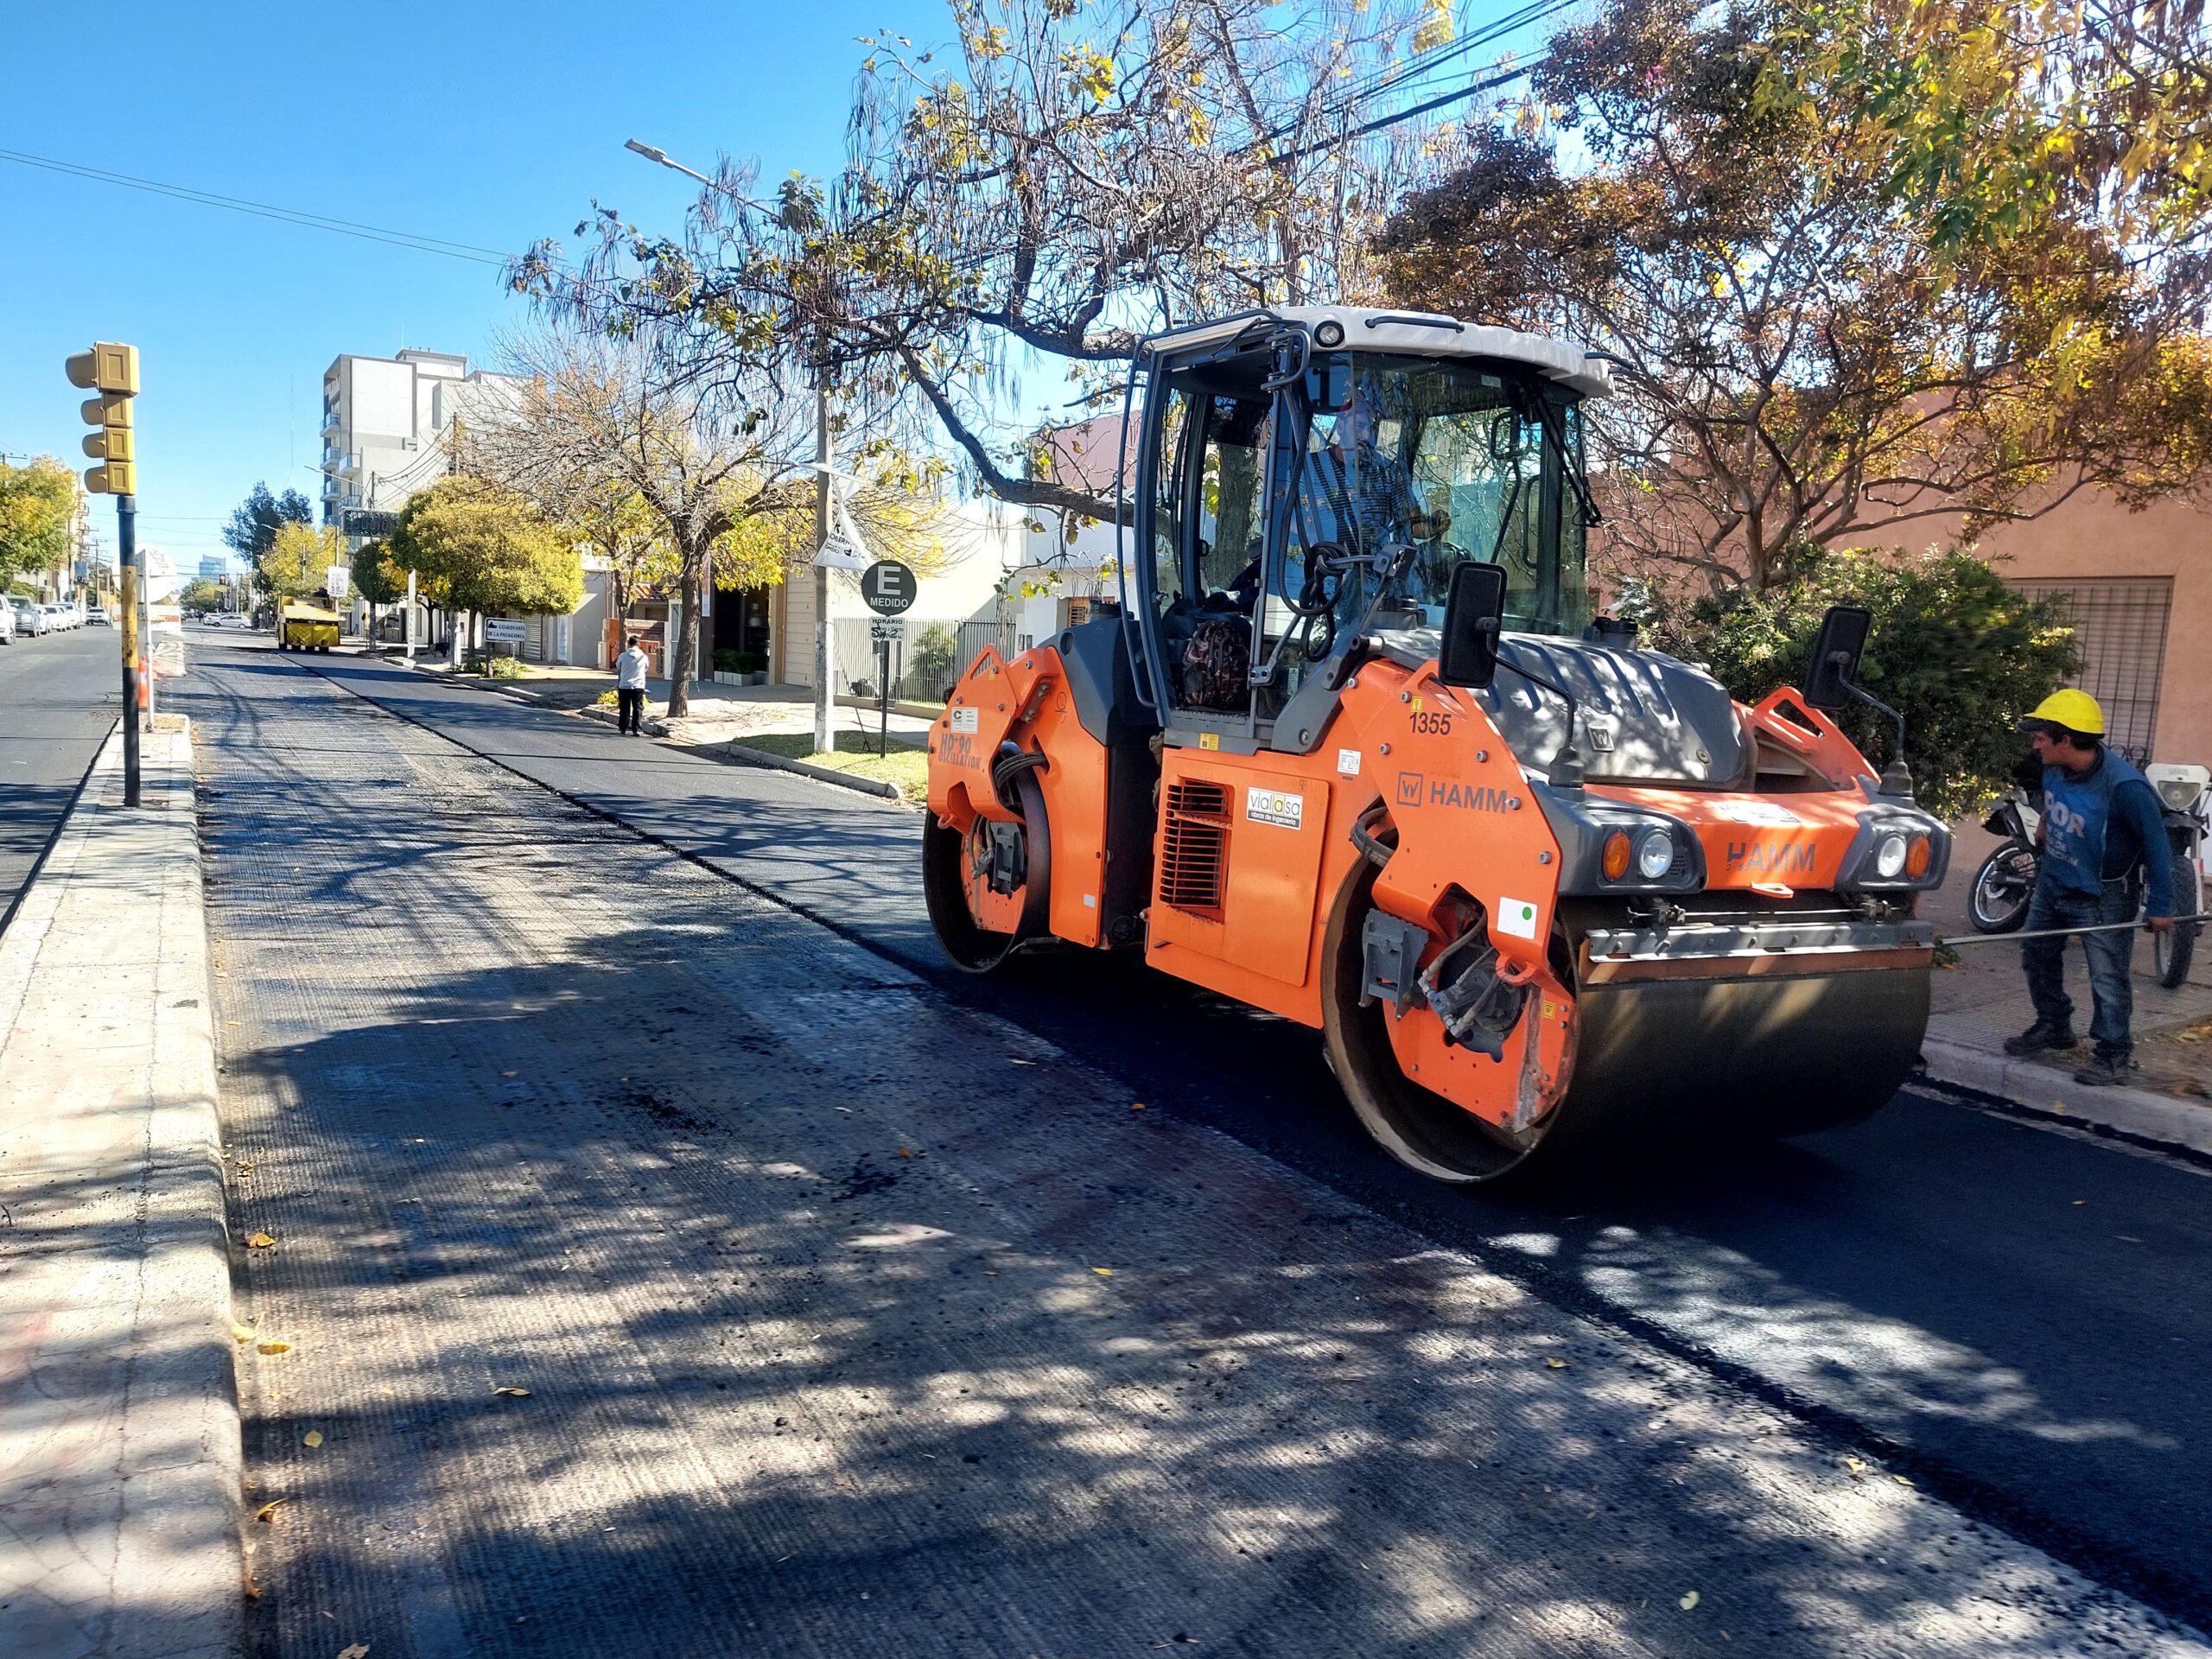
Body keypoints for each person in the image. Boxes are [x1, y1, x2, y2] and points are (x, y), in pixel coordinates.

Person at [2003, 689, 2174, 1086]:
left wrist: (2161, 904)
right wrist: (2046, 821)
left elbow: (2158, 848)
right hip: (2054, 880)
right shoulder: (2054, 766)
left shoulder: (2127, 788)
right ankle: (2054, 1026)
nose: (2036, 743)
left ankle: (2114, 1055)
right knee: (2037, 955)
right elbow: (2055, 797)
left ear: (2066, 739)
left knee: (2108, 978)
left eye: (2042, 736)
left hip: (2104, 895)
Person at [614, 634, 649, 736]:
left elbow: (618, 667)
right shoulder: (644, 657)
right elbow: (646, 669)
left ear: (629, 644)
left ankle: (622, 728)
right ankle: (636, 728)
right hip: (638, 685)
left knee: (624, 708)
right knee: (638, 707)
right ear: (638, 644)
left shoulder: (622, 656)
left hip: (624, 685)